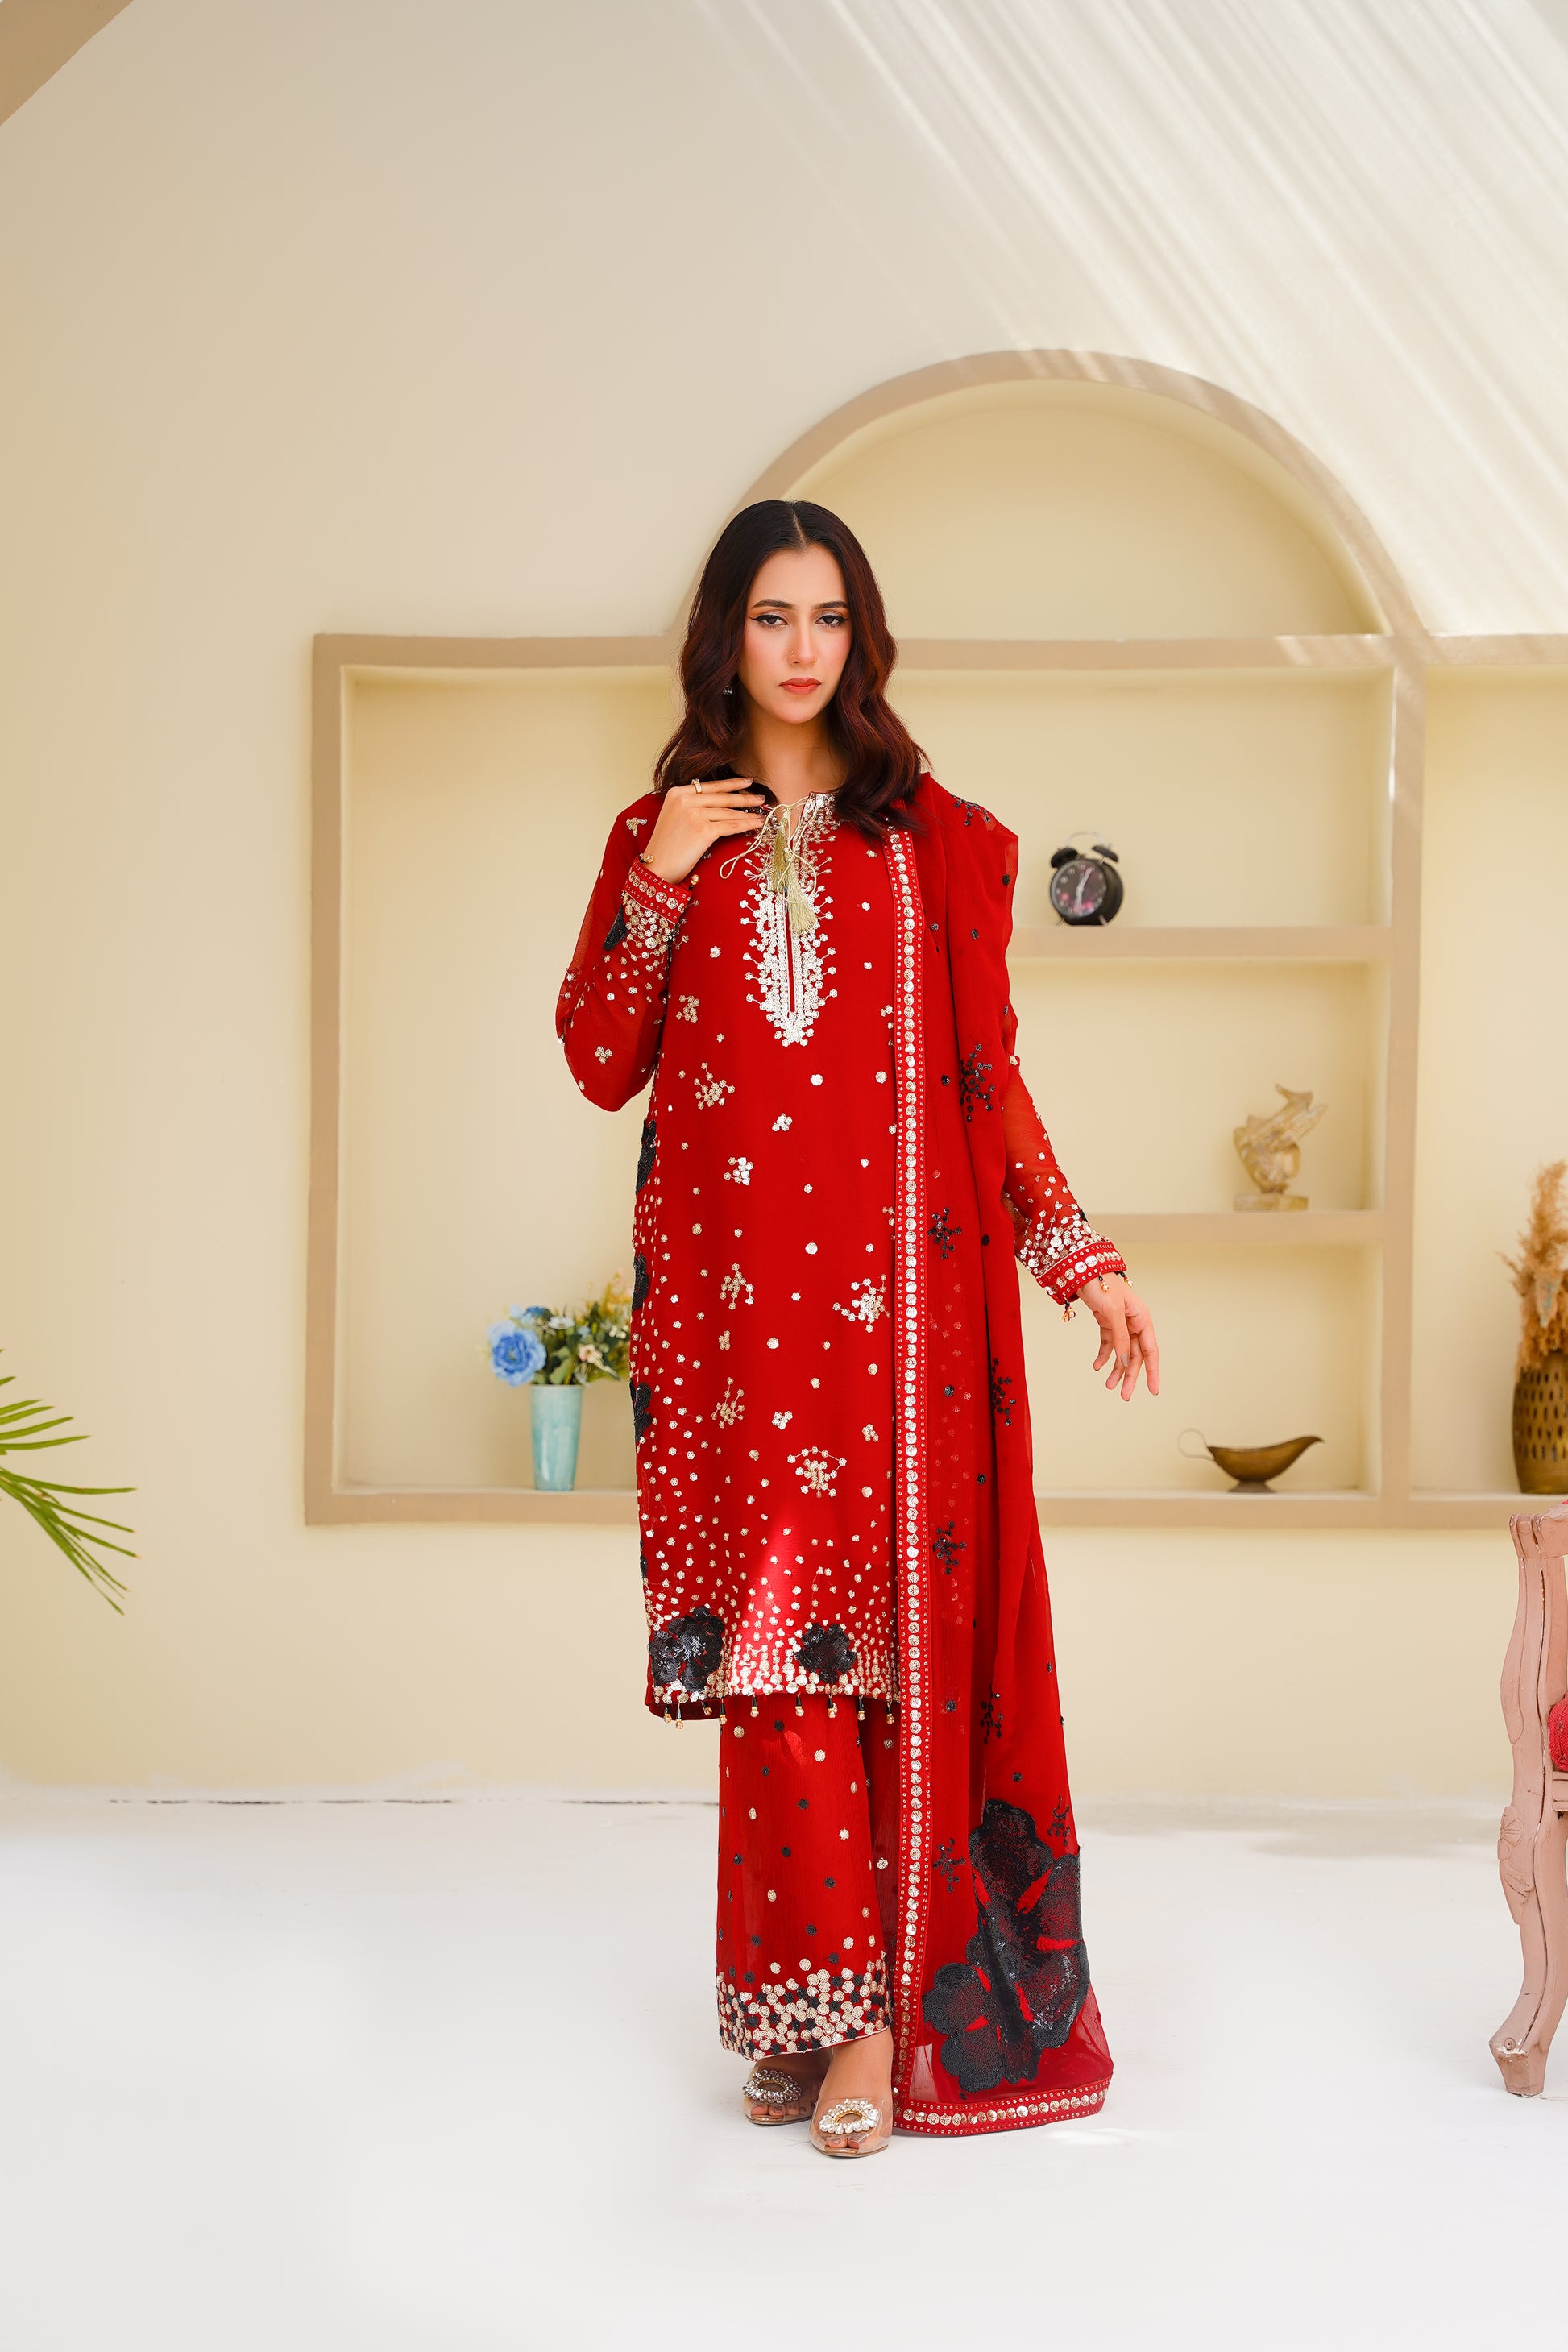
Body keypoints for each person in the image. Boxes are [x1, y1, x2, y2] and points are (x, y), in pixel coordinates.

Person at [557, 500, 1159, 2159]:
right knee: (776, 1665)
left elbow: (988, 1081)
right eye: (773, 616)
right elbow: (598, 1056)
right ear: (723, 637)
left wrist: (1077, 1256)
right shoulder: (660, 834)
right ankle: (800, 2006)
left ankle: (876, 2023)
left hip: (894, 1337)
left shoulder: (923, 843)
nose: (802, 648)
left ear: (862, 636)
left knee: (878, 1660)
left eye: (828, 616)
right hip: (730, 1334)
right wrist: (660, 874)